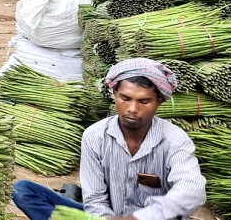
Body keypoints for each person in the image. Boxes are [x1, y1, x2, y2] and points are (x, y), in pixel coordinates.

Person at [12, 58, 207, 220]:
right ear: (115, 94)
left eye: (143, 101)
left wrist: (140, 218)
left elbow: (193, 189)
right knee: (23, 190)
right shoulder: (95, 136)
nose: (132, 108)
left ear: (159, 101)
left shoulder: (174, 140)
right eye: (125, 98)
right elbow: (94, 199)